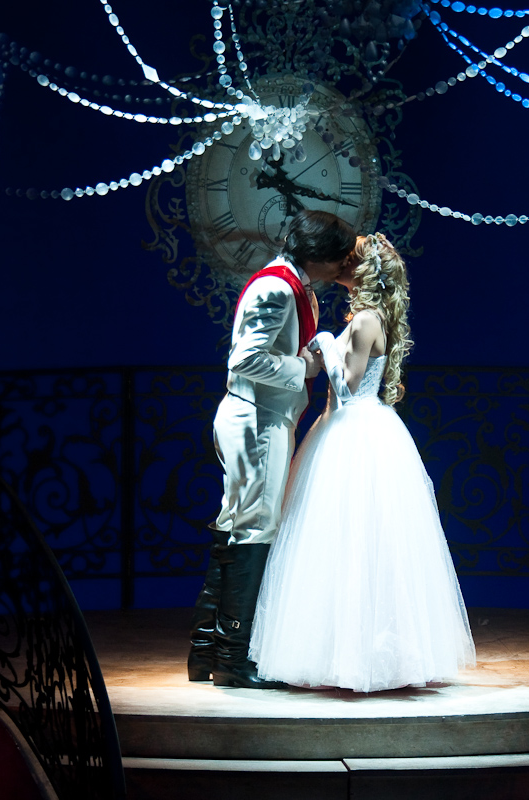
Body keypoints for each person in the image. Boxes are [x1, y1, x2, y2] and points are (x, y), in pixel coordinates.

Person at [248, 233, 476, 693]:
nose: (341, 266)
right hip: (343, 425)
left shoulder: (369, 319)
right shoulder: (365, 316)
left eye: (349, 261)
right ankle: (334, 652)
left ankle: (367, 658)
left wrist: (324, 344)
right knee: (335, 542)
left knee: (359, 540)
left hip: (356, 429)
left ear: (363, 272)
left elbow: (348, 385)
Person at [187, 209, 357, 689]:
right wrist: (304, 367)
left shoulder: (294, 286)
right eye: (339, 258)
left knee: (236, 527)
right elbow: (245, 358)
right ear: (318, 255)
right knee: (254, 531)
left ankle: (207, 650)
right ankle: (232, 658)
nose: (342, 267)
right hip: (257, 420)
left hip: (262, 418)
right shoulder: (277, 288)